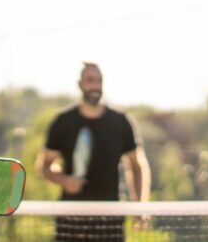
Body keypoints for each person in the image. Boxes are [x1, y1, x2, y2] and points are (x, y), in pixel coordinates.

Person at [37, 62, 151, 242]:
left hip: (110, 218)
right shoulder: (62, 122)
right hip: (71, 218)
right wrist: (64, 180)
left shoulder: (120, 122)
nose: (95, 86)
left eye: (99, 80)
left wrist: (140, 206)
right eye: (90, 80)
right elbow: (44, 166)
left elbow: (137, 166)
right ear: (80, 84)